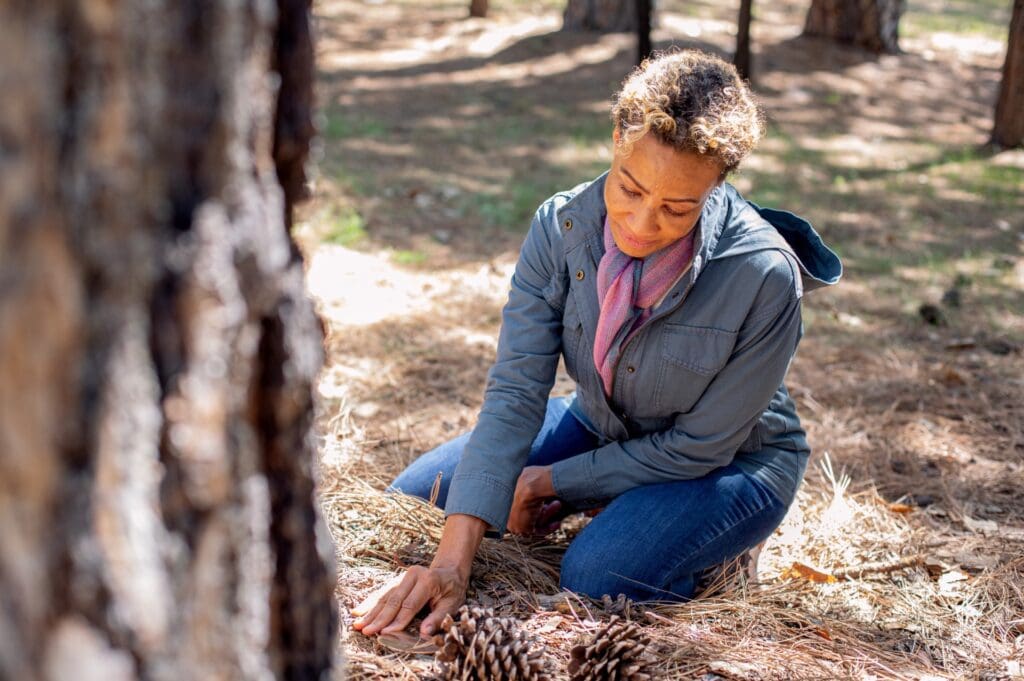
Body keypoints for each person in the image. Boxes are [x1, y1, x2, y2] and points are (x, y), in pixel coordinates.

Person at [352, 49, 841, 639]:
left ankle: (716, 552)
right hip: (607, 423)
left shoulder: (764, 273)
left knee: (598, 574)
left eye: (677, 208)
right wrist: (451, 567)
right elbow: (516, 392)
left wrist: (549, 482)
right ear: (616, 139)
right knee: (422, 495)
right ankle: (630, 512)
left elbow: (699, 447)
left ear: (716, 187)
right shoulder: (559, 228)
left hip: (731, 462)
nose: (641, 223)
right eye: (630, 189)